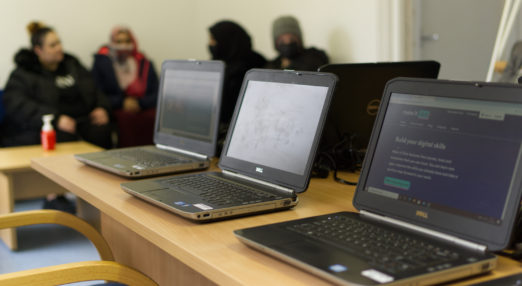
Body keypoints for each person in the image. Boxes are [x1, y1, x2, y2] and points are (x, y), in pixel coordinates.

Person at [1, 21, 113, 213]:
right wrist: (55, 118)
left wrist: (103, 107)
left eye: (59, 42)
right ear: (38, 50)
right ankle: (54, 195)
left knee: (102, 130)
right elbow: (16, 104)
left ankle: (100, 193)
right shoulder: (24, 73)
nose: (59, 48)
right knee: (60, 136)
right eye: (52, 45)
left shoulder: (71, 64)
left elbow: (95, 89)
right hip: (47, 125)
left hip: (81, 120)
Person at [92, 26, 159, 147]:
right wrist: (122, 102)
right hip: (117, 106)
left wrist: (140, 103)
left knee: (155, 118)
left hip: (143, 105)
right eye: (119, 41)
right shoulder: (103, 62)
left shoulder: (144, 62)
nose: (123, 45)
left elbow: (157, 91)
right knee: (126, 120)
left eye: (127, 41)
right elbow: (98, 92)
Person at [208, 20, 266, 148]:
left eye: (213, 40)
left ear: (227, 41)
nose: (210, 44)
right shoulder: (221, 65)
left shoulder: (251, 67)